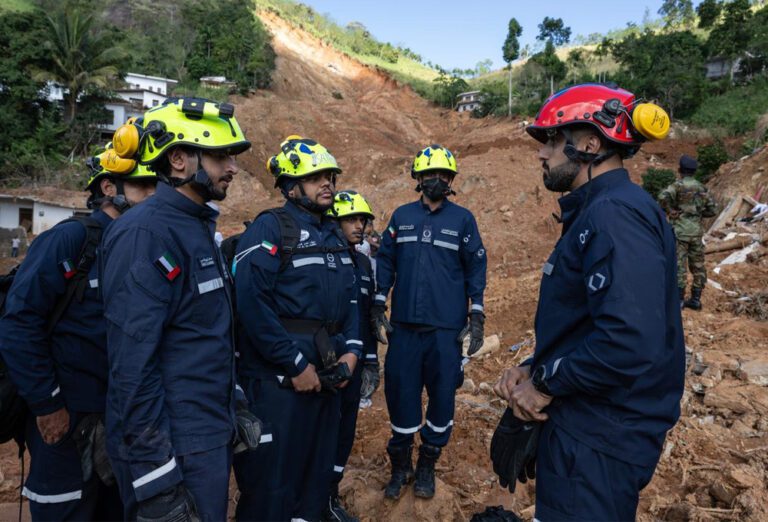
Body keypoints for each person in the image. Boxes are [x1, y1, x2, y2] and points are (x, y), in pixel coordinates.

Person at [494, 83, 685, 521]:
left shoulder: (613, 214)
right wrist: (535, 366)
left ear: (589, 144)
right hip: (589, 426)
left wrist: (542, 385)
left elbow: (626, 340)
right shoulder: (602, 209)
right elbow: (593, 323)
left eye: (552, 141)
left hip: (599, 437)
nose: (542, 154)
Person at [101, 98, 258, 521]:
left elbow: (203, 334)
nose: (233, 168)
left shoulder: (194, 227)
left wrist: (234, 404)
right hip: (175, 447)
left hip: (204, 436)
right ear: (178, 159)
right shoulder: (145, 234)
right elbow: (132, 367)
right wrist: (157, 479)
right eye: (221, 155)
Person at [0, 147, 156, 521]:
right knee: (66, 510)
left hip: (124, 418)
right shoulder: (71, 240)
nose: (154, 194)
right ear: (109, 186)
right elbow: (19, 322)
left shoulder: (144, 244)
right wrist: (47, 404)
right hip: (66, 419)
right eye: (143, 185)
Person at [232, 136, 361, 521]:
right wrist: (294, 365)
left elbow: (352, 304)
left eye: (329, 176)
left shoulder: (335, 237)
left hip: (326, 384)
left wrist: (352, 356)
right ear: (291, 187)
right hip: (280, 388)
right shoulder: (270, 229)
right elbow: (252, 306)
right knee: (271, 489)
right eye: (315, 176)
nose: (327, 183)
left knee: (315, 486)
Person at [373, 144, 487, 500]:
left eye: (443, 175)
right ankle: (401, 464)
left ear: (451, 180)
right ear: (418, 178)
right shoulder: (401, 216)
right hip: (404, 329)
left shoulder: (463, 220)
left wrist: (477, 313)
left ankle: (427, 463)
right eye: (429, 175)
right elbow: (387, 260)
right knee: (400, 394)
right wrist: (379, 302)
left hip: (445, 331)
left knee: (441, 398)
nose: (436, 180)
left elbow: (476, 266)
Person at [324, 190, 378, 522]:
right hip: (328, 362)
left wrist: (371, 359)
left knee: (345, 433)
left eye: (363, 220)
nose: (360, 226)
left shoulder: (362, 262)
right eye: (352, 219)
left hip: (356, 362)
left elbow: (367, 316)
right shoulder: (324, 257)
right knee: (321, 431)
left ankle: (329, 495)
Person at [658, 155, 717, 310]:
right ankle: (696, 300)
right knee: (698, 265)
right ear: (695, 171)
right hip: (696, 232)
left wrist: (671, 211)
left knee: (679, 266)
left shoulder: (677, 186)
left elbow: (662, 197)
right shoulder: (702, 188)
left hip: (680, 232)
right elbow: (712, 210)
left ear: (680, 170)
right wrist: (697, 215)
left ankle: (679, 301)